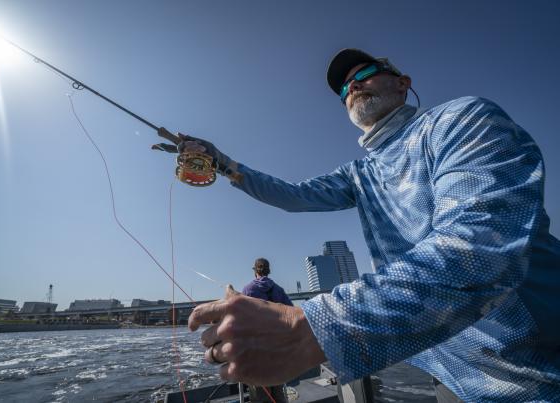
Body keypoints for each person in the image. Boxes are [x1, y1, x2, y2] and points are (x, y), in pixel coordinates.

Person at [178, 48, 560, 402]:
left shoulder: (460, 119)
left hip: (537, 372)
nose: (353, 86)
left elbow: (479, 247)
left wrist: (313, 328)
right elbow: (292, 195)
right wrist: (223, 162)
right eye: (345, 88)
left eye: (366, 74)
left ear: (402, 83)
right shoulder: (359, 174)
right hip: (448, 369)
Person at [241, 258, 292, 402]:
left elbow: (242, 318)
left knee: (260, 393)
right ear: (268, 271)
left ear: (255, 271)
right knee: (278, 389)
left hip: (256, 348)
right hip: (277, 347)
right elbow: (292, 314)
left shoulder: (248, 290)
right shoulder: (279, 290)